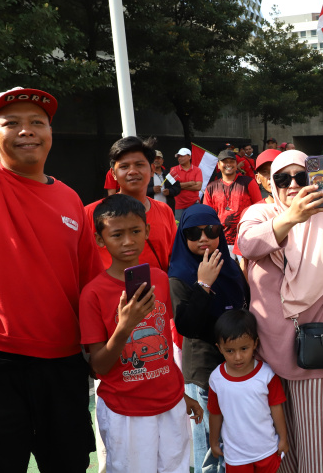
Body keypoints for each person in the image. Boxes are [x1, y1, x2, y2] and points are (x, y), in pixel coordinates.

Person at [0, 87, 103, 471]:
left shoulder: (72, 200)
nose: (27, 131)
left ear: (51, 133)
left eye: (37, 123)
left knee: (69, 463)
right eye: (11, 123)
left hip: (61, 366)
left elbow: (88, 283)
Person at [236, 150, 323, 473]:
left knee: (319, 460)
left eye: (301, 176)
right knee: (283, 454)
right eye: (283, 178)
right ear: (271, 184)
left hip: (318, 363)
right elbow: (247, 244)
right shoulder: (259, 214)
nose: (292, 185)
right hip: (267, 360)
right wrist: (290, 218)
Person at [80, 194, 203, 473]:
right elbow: (98, 366)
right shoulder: (93, 294)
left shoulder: (159, 278)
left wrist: (179, 394)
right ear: (100, 240)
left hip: (170, 404)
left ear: (147, 231)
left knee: (177, 468)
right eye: (117, 234)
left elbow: (163, 350)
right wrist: (125, 326)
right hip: (127, 411)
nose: (127, 241)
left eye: (135, 231)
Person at [170, 204, 250, 473]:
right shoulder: (180, 275)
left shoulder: (230, 265)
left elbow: (244, 303)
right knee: (210, 445)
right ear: (184, 237)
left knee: (234, 439)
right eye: (194, 232)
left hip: (238, 363)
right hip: (205, 369)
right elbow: (187, 326)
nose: (203, 237)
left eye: (211, 230)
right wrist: (203, 285)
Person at [208, 309, 288, 473]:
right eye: (230, 351)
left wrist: (283, 438)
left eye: (244, 349)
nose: (237, 357)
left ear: (255, 344)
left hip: (267, 450)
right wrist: (213, 442)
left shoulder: (267, 375)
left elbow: (276, 408)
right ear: (219, 348)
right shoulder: (216, 379)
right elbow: (215, 413)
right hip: (236, 457)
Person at [85, 137, 177, 271]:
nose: (133, 171)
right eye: (124, 166)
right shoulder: (91, 213)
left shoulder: (165, 211)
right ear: (113, 174)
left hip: (158, 289)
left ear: (152, 169)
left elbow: (173, 258)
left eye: (139, 164)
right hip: (110, 291)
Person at [203, 149, 263, 257]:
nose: (228, 164)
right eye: (225, 161)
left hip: (246, 238)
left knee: (246, 273)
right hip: (221, 240)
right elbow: (207, 217)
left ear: (236, 165)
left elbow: (259, 208)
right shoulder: (211, 187)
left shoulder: (248, 182)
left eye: (232, 161)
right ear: (218, 165)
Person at [171, 147, 204, 221]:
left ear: (189, 157)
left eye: (182, 156)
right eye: (178, 156)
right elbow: (172, 186)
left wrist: (180, 186)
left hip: (194, 203)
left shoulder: (197, 170)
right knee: (179, 227)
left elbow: (198, 187)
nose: (179, 158)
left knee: (194, 226)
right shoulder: (173, 170)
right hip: (178, 205)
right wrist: (190, 183)